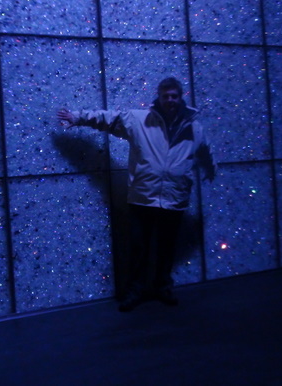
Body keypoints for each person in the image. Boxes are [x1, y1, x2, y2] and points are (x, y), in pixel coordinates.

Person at [56, 77, 216, 312]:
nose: (170, 100)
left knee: (167, 248)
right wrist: (77, 117)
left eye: (174, 96)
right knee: (139, 248)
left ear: (180, 97)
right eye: (166, 96)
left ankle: (163, 287)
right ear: (159, 97)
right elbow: (109, 119)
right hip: (144, 197)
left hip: (175, 198)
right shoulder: (139, 120)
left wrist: (211, 168)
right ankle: (135, 290)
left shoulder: (194, 128)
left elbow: (204, 151)